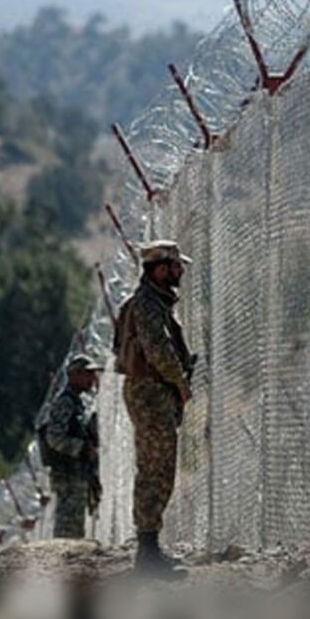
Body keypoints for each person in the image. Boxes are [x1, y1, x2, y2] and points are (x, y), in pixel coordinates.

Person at [113, 239, 196, 577]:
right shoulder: (147, 305)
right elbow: (158, 351)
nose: (179, 272)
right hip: (151, 393)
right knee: (154, 468)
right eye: (175, 266)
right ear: (160, 269)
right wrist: (181, 383)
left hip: (151, 392)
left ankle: (150, 549)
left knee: (158, 467)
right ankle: (147, 556)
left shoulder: (152, 303)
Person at [40, 354, 103, 539]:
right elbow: (54, 437)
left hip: (76, 473)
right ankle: (63, 564)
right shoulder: (65, 402)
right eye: (87, 374)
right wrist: (82, 447)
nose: (92, 379)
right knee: (68, 529)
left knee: (75, 527)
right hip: (68, 474)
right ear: (74, 375)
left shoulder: (77, 403)